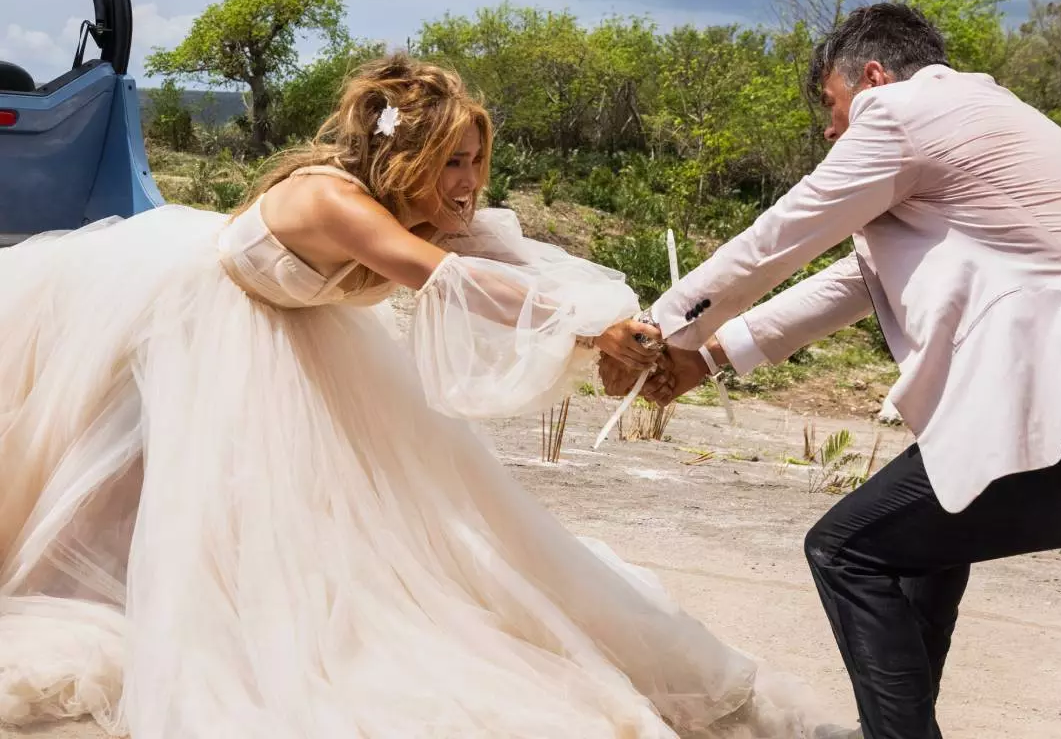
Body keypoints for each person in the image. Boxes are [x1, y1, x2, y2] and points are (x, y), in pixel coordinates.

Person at [0, 54, 837, 738]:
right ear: (406, 156)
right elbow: (446, 281)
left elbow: (515, 270)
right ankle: (94, 590)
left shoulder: (420, 206)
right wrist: (591, 335)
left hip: (296, 333)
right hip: (190, 315)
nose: (468, 179)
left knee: (312, 519)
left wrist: (620, 330)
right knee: (134, 480)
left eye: (475, 159)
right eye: (452, 161)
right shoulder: (335, 203)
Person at [600, 3, 1061, 739]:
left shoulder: (905, 112)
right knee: (920, 553)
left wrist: (655, 328)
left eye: (831, 104)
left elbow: (781, 235)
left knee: (847, 550)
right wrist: (712, 355)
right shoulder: (988, 124)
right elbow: (854, 281)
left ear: (874, 76)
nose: (829, 130)